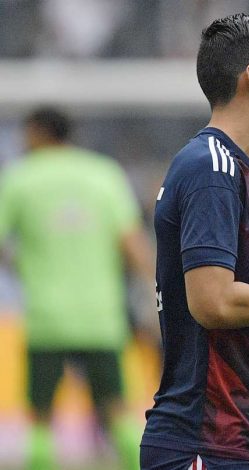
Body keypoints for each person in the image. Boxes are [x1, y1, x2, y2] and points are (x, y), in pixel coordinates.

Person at [140, 14, 249, 470]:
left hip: (238, 442)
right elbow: (213, 304)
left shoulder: (243, 175)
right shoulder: (211, 168)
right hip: (202, 441)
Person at [0, 106, 155, 470]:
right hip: (101, 317)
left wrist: (19, 264)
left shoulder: (20, 178)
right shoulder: (104, 175)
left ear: (37, 133)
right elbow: (132, 243)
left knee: (41, 417)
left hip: (47, 318)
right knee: (116, 410)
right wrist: (155, 287)